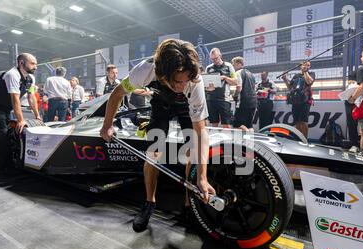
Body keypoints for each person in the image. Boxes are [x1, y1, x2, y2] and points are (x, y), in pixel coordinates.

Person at [100, 39, 216, 232]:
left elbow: (201, 133)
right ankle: (149, 202)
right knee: (153, 154)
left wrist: (202, 178)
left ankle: (189, 203)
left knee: (191, 152)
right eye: (178, 81)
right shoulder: (145, 69)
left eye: (187, 79)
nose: (183, 84)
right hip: (160, 104)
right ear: (162, 74)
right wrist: (107, 126)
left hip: (186, 107)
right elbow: (116, 94)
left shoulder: (194, 81)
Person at [0, 53, 40, 174]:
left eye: (36, 64)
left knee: (11, 131)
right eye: (32, 63)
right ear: (21, 63)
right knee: (3, 133)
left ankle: (11, 161)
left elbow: (31, 97)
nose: (36, 67)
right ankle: (2, 167)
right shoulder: (12, 74)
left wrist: (37, 116)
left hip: (5, 107)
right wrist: (21, 120)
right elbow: (15, 98)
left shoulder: (30, 78)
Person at [205, 48, 238, 128]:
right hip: (211, 99)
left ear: (220, 55)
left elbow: (235, 81)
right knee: (213, 124)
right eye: (212, 59)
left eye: (216, 58)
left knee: (226, 124)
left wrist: (225, 78)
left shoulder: (228, 66)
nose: (214, 60)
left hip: (224, 99)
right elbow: (205, 84)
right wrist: (207, 88)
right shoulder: (208, 68)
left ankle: (227, 140)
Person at [282, 61, 315, 139]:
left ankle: (305, 140)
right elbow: (290, 87)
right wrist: (285, 79)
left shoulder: (311, 74)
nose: (307, 66)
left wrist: (305, 72)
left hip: (305, 101)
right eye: (305, 65)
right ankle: (298, 139)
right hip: (295, 101)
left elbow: (309, 82)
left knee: (303, 122)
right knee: (297, 121)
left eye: (308, 65)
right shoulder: (296, 75)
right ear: (301, 66)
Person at [231, 56, 257, 131]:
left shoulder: (238, 73)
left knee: (237, 125)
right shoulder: (251, 74)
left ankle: (242, 141)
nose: (233, 66)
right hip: (253, 102)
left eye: (233, 64)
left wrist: (234, 95)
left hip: (243, 102)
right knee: (249, 125)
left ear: (239, 64)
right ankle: (250, 142)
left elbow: (239, 87)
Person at [343, 70, 359, 152]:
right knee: (351, 124)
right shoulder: (350, 85)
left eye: (353, 81)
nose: (350, 82)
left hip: (361, 102)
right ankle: (354, 144)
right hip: (349, 103)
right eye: (349, 81)